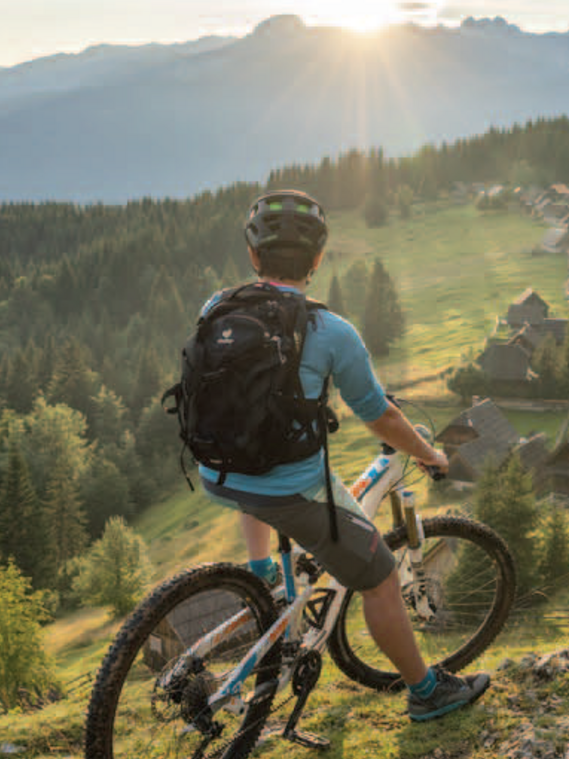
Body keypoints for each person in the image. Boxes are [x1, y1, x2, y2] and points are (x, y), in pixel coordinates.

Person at [197, 189, 491, 722]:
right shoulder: (331, 332)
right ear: (316, 261)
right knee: (377, 572)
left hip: (218, 470)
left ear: (253, 257)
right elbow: (379, 416)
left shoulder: (217, 307)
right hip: (290, 489)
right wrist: (429, 455)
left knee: (258, 453)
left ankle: (261, 567)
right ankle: (426, 693)